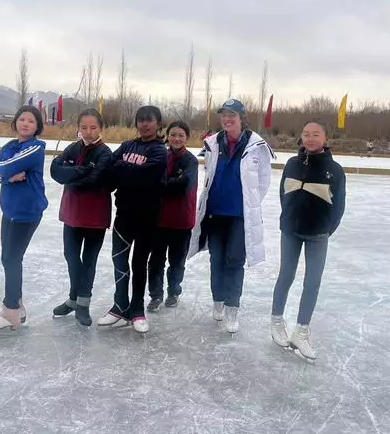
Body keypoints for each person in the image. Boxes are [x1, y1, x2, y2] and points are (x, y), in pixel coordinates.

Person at [188, 98, 274, 333]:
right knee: (216, 259)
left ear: (241, 118)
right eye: (224, 114)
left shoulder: (257, 145)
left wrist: (249, 202)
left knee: (234, 261)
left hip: (239, 216)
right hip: (215, 213)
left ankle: (232, 308)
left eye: (232, 114)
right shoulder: (213, 143)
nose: (227, 119)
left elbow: (263, 181)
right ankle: (218, 301)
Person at [270, 121, 346, 361]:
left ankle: (301, 330)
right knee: (286, 275)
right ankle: (276, 321)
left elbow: (339, 205)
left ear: (325, 139)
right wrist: (289, 219)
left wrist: (326, 228)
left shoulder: (334, 169)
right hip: (291, 231)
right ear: (301, 138)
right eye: (306, 134)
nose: (310, 138)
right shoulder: (292, 164)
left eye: (315, 134)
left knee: (312, 281)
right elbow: (284, 195)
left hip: (318, 234)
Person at [98, 106, 168, 333]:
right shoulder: (128, 145)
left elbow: (148, 175)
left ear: (158, 124)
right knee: (119, 261)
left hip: (148, 218)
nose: (144, 125)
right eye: (141, 120)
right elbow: (111, 167)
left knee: (139, 264)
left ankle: (137, 310)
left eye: (149, 121)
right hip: (123, 215)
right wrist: (129, 171)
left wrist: (124, 170)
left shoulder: (160, 150)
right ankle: (119, 307)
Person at [0, 106, 48, 332]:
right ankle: (17, 306)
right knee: (7, 258)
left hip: (26, 212)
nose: (26, 123)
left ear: (37, 126)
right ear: (15, 122)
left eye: (31, 121)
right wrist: (8, 179)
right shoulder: (10, 146)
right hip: (9, 210)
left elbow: (6, 167)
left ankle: (10, 312)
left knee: (11, 259)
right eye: (22, 119)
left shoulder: (35, 147)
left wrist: (5, 173)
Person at [50, 108, 112, 326]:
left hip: (95, 216)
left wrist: (73, 172)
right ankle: (74, 299)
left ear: (100, 128)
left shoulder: (105, 153)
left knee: (89, 261)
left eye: (93, 127)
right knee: (71, 256)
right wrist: (82, 170)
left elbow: (95, 181)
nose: (88, 132)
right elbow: (55, 171)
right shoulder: (72, 148)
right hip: (72, 213)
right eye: (84, 127)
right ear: (79, 128)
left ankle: (82, 303)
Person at [147, 121, 199, 311]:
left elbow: (182, 186)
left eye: (181, 135)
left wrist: (161, 184)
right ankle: (155, 295)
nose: (176, 139)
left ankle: (174, 291)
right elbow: (151, 180)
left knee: (177, 262)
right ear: (167, 136)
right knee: (155, 262)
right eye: (173, 134)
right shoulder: (162, 156)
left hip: (181, 221)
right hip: (159, 220)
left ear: (186, 138)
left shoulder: (191, 161)